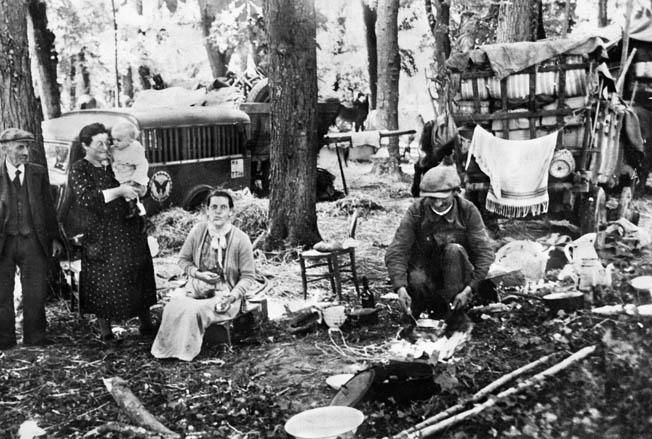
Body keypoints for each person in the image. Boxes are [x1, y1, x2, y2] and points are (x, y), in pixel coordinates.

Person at [69, 123, 156, 344]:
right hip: (102, 234)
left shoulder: (115, 161)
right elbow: (86, 199)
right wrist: (118, 191)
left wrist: (141, 189)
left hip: (129, 229)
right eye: (98, 143)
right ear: (85, 146)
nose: (104, 147)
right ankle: (106, 331)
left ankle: (146, 324)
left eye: (106, 142)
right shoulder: (80, 168)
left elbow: (139, 181)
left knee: (137, 273)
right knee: (103, 281)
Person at [151, 189, 256, 361]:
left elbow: (248, 277)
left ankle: (184, 353)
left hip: (225, 295)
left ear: (231, 212)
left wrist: (232, 297)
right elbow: (183, 260)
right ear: (207, 210)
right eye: (213, 207)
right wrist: (198, 274)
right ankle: (166, 350)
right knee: (171, 307)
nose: (218, 211)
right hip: (196, 288)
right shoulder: (198, 232)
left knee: (194, 311)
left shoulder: (240, 239)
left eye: (223, 207)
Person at [385, 165, 494, 320]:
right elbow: (397, 250)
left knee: (454, 250)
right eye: (432, 198)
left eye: (442, 198)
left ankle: (455, 313)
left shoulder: (468, 211)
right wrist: (400, 287)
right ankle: (423, 309)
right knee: (417, 279)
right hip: (425, 277)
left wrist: (469, 290)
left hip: (456, 280)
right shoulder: (416, 211)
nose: (437, 204)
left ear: (456, 192)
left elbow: (484, 253)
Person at [0, 128, 63, 348]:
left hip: (33, 240)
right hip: (3, 242)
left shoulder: (37, 173)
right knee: (1, 293)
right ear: (5, 148)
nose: (25, 152)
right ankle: (4, 340)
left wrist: (54, 238)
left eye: (27, 147)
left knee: (35, 291)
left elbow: (48, 209)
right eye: (20, 147)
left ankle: (35, 338)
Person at [110, 121, 149, 218]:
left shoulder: (134, 150)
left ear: (130, 141)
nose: (115, 143)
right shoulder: (114, 149)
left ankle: (134, 207)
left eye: (118, 140)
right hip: (120, 176)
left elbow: (142, 165)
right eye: (113, 139)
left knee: (129, 191)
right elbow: (109, 156)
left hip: (131, 179)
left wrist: (136, 179)